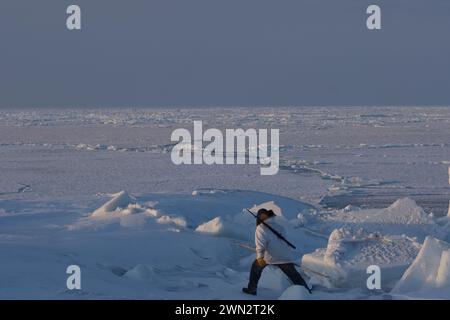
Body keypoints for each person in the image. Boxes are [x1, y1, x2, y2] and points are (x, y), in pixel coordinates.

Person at [242, 208, 312, 295]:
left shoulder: (260, 228)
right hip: (285, 256)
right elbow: (282, 242)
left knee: (255, 268)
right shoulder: (279, 226)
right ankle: (306, 292)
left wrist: (260, 257)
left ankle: (251, 289)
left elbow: (260, 246)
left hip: (271, 257)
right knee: (294, 275)